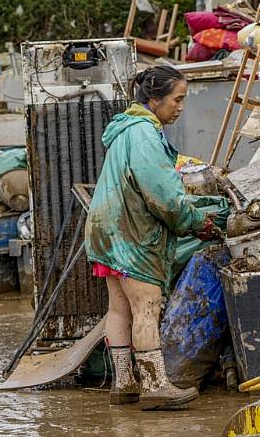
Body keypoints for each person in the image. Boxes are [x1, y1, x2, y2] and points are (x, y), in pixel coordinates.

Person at [84, 65, 221, 409]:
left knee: (119, 309)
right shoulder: (145, 133)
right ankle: (156, 385)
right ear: (155, 99)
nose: (180, 106)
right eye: (177, 99)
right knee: (146, 307)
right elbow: (163, 196)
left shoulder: (127, 129)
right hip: (130, 231)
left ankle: (124, 383)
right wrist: (194, 221)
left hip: (104, 228)